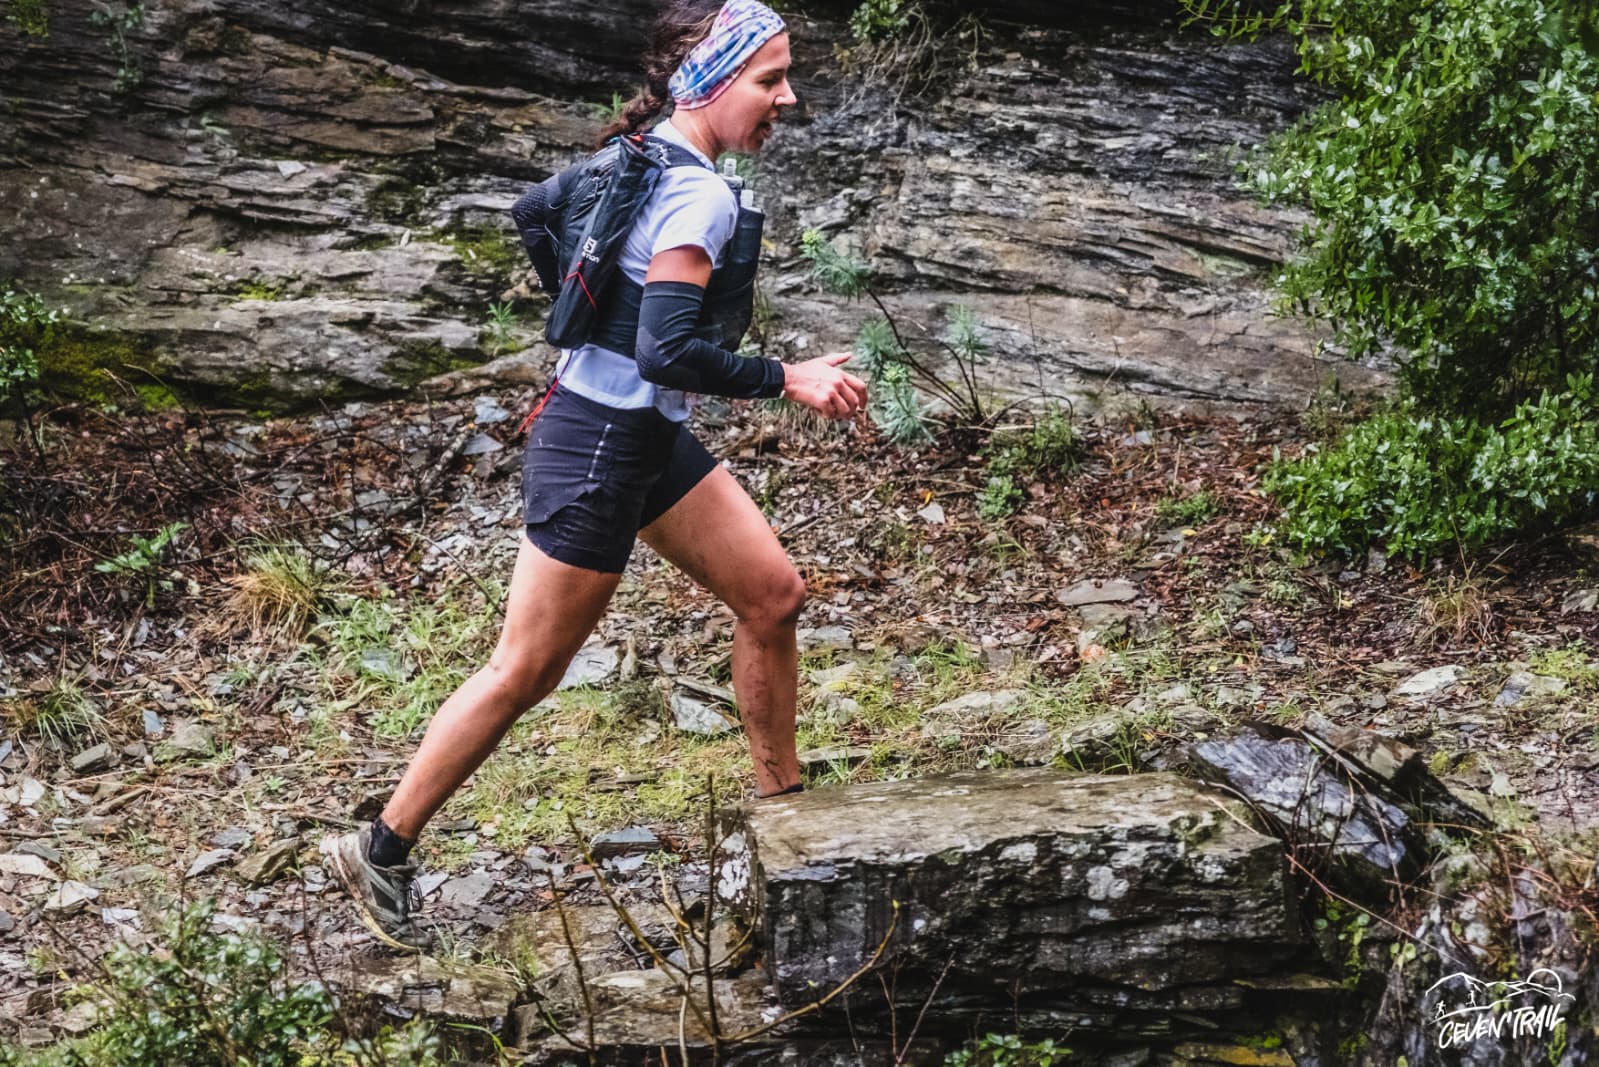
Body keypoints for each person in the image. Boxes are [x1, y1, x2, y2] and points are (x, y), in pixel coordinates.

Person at [321, 0, 868, 949]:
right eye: (769, 79)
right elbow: (668, 350)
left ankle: (785, 810)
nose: (787, 96)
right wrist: (790, 377)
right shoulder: (696, 191)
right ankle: (382, 843)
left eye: (785, 76)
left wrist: (588, 317)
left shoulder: (646, 151)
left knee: (772, 594)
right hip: (599, 445)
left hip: (635, 436)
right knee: (524, 669)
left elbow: (539, 214)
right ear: (712, 81)